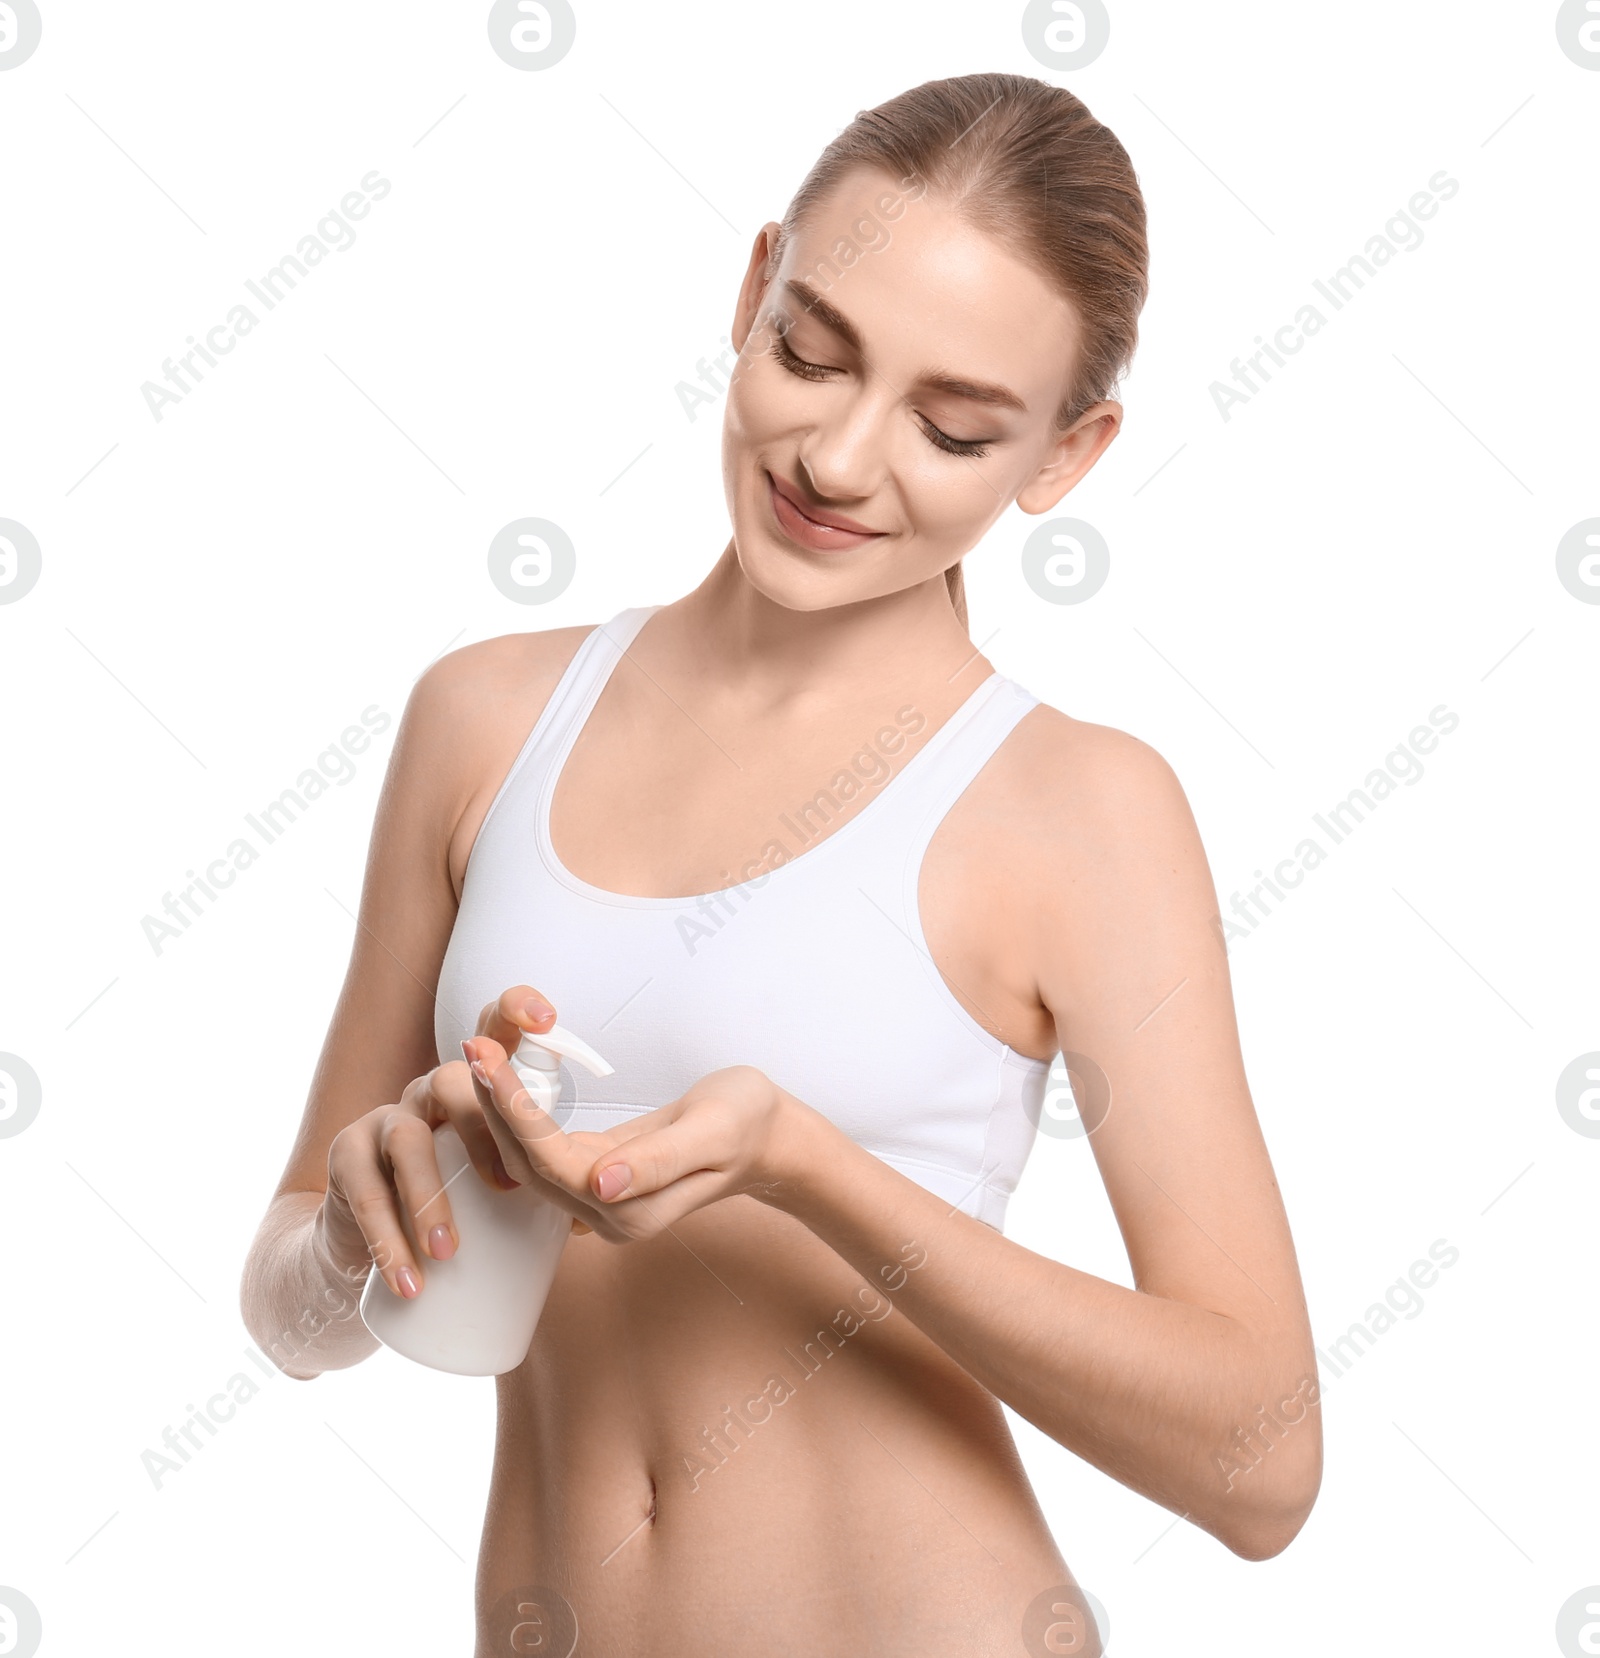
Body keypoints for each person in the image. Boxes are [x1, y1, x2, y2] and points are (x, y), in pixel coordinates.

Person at [241, 70, 1321, 1655]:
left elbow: (1265, 1464)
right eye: (811, 352)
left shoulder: (1079, 809)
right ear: (753, 290)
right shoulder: (485, 719)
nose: (839, 456)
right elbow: (292, 1318)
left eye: (953, 427)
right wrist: (346, 1234)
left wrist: (808, 1168)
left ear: (1065, 458)